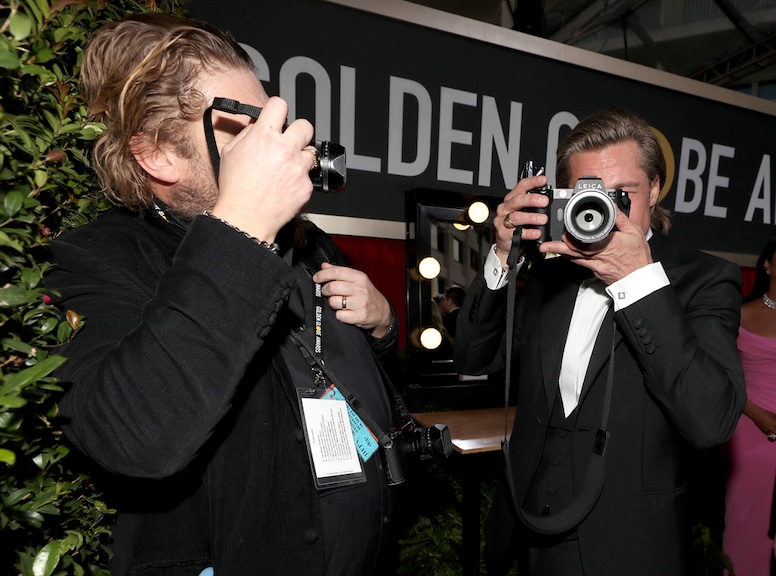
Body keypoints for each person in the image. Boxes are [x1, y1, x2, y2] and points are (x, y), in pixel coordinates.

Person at [46, 13, 403, 576]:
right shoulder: (99, 257)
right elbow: (133, 438)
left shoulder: (309, 244)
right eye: (243, 126)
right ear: (158, 154)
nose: (276, 147)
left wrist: (383, 329)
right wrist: (241, 227)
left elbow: (340, 369)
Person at [454, 107, 745, 576]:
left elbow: (712, 421)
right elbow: (472, 357)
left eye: (623, 193)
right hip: (529, 531)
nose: (603, 206)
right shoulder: (547, 268)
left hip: (630, 546)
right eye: (589, 192)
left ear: (653, 189)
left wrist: (637, 282)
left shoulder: (705, 279)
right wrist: (503, 254)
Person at [723, 237, 776, 576]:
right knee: (748, 528)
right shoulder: (738, 314)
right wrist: (762, 418)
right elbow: (720, 378)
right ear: (767, 264)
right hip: (752, 429)